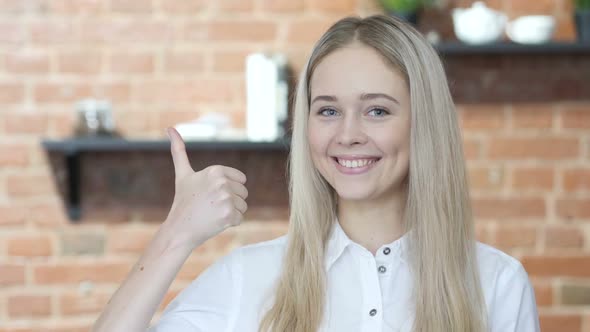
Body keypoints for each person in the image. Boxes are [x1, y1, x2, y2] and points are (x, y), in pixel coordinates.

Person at [93, 15, 540, 332]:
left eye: (377, 110)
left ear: (425, 121)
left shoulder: (496, 283)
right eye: (328, 110)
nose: (348, 134)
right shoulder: (249, 276)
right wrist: (176, 235)